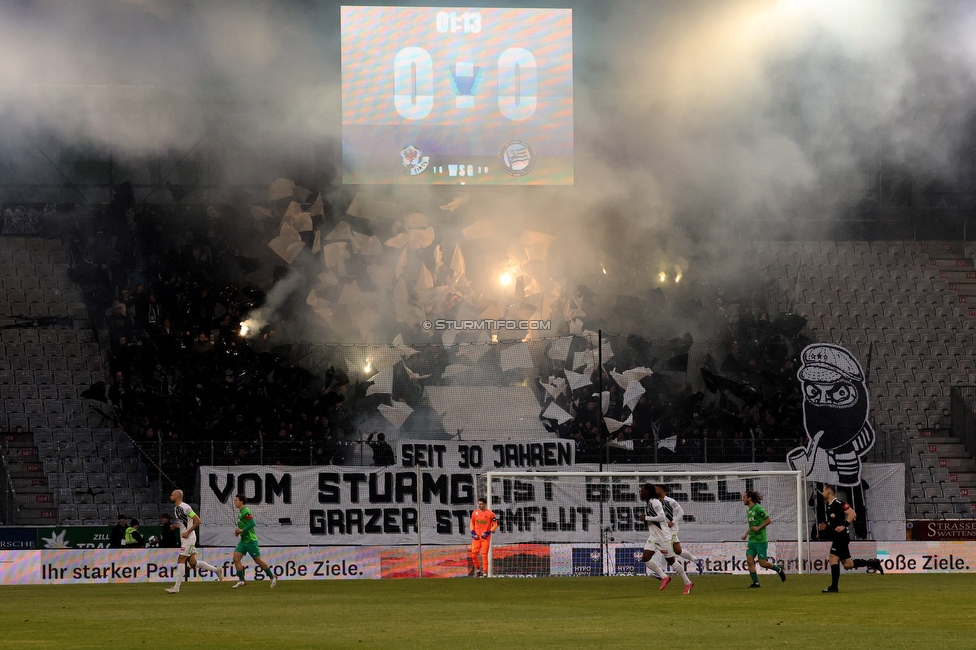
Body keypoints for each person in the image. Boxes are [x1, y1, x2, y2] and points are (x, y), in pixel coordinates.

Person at [820, 484, 884, 593]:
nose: (822, 493)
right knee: (847, 564)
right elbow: (834, 522)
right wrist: (826, 526)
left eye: (823, 491)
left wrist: (844, 525)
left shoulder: (839, 503)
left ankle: (834, 587)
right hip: (838, 537)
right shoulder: (829, 506)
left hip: (842, 537)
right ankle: (872, 563)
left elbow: (852, 513)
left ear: (829, 492)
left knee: (833, 558)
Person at [165, 489, 223, 593]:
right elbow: (183, 522)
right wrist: (175, 526)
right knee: (193, 562)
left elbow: (198, 520)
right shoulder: (176, 509)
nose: (170, 496)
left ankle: (176, 587)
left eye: (172, 495)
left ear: (177, 496)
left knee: (181, 559)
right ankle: (216, 570)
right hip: (184, 538)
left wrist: (188, 532)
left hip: (189, 538)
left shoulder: (186, 508)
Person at [639, 484, 693, 594]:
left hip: (663, 536)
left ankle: (687, 583)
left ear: (648, 492)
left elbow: (662, 517)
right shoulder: (649, 503)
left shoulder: (655, 502)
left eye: (642, 491)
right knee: (645, 558)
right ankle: (664, 577)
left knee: (671, 561)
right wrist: (646, 520)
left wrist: (647, 518)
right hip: (654, 536)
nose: (640, 493)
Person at [654, 484, 704, 575]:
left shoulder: (670, 501)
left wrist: (673, 521)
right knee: (678, 550)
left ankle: (662, 572)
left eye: (657, 489)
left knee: (665, 547)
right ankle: (697, 561)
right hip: (664, 529)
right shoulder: (656, 502)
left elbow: (681, 512)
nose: (655, 491)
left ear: (662, 490)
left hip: (672, 528)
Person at [231, 493, 277, 589]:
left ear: (241, 501)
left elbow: (252, 523)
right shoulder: (240, 513)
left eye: (236, 500)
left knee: (257, 560)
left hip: (251, 540)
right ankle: (241, 580)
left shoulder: (246, 511)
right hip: (243, 541)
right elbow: (243, 525)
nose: (234, 502)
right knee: (236, 559)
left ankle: (272, 576)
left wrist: (242, 530)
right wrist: (238, 532)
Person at [742, 489, 786, 588]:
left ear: (749, 498)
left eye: (744, 497)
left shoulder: (758, 509)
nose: (743, 499)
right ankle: (756, 583)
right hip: (752, 540)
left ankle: (778, 569)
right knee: (749, 561)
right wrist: (746, 534)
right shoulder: (749, 510)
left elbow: (769, 520)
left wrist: (758, 528)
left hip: (760, 540)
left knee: (763, 563)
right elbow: (752, 525)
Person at [469, 497, 498, 577]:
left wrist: (488, 532)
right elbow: (472, 523)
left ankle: (485, 573)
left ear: (485, 504)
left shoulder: (490, 514)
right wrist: (472, 532)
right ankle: (478, 570)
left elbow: (495, 524)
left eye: (481, 504)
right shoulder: (475, 513)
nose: (479, 506)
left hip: (485, 538)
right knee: (473, 555)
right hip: (476, 537)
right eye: (479, 504)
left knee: (484, 554)